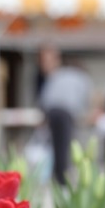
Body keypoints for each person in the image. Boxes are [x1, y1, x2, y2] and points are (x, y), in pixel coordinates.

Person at [38, 56, 93, 186]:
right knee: (65, 145)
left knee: (55, 145)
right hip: (66, 112)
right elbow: (84, 100)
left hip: (52, 111)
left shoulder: (57, 74)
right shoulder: (83, 78)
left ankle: (56, 176)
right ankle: (63, 179)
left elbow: (45, 96)